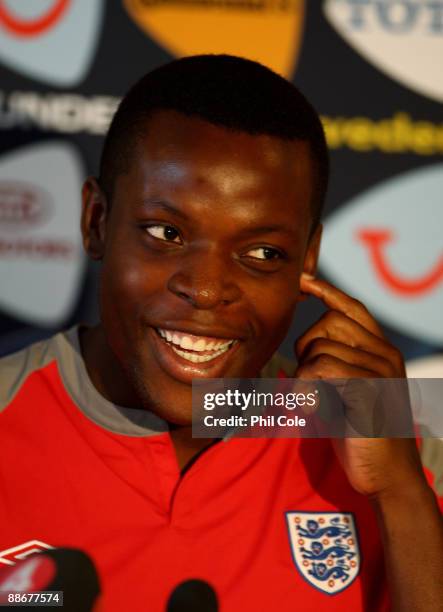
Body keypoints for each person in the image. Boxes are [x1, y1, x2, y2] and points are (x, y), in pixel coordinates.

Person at [0, 55, 441, 612]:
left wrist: (401, 495)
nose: (207, 290)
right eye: (166, 232)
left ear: (306, 260)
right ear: (97, 222)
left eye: (262, 253)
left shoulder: (394, 456)